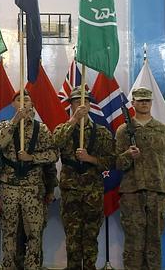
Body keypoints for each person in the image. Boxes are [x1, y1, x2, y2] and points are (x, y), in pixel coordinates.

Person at [0, 90, 58, 269]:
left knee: (34, 234)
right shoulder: (4, 125)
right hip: (9, 187)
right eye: (18, 100)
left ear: (32, 105)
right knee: (9, 232)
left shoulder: (41, 129)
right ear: (13, 105)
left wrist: (33, 158)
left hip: (32, 188)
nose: (23, 102)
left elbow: (54, 154)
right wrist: (15, 121)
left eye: (27, 99)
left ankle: (33, 267)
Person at [115, 87, 165, 270]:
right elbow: (116, 163)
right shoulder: (124, 130)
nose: (143, 103)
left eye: (147, 100)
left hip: (157, 193)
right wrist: (127, 155)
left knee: (154, 242)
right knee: (133, 243)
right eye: (140, 100)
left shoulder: (163, 130)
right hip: (131, 193)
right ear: (132, 103)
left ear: (151, 103)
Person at [53, 86, 114, 270]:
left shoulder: (102, 132)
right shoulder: (64, 128)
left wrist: (90, 158)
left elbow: (111, 161)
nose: (81, 105)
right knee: (72, 237)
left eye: (85, 101)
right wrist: (73, 120)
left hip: (92, 192)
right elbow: (54, 143)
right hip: (70, 192)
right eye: (77, 101)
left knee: (90, 236)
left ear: (90, 105)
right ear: (71, 105)